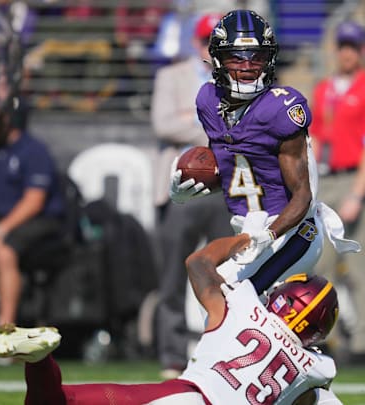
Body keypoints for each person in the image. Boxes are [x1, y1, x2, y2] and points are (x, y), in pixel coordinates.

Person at [0, 234, 342, 405]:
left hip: (183, 398)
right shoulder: (316, 369)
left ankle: (40, 360)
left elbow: (197, 264)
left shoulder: (244, 305)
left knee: (63, 401)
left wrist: (241, 240)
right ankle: (40, 362)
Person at [169, 9, 360, 295]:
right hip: (251, 233)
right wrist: (190, 190)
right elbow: (234, 173)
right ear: (218, 59)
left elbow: (303, 196)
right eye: (237, 57)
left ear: (268, 60)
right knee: (240, 312)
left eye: (255, 58)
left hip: (293, 234)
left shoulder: (280, 109)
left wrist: (267, 234)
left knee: (225, 296)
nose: (247, 66)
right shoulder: (209, 100)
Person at [151, 12, 234, 378]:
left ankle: (224, 350)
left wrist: (193, 121)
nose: (209, 48)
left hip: (224, 187)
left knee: (227, 274)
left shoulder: (237, 80)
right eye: (205, 40)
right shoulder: (172, 76)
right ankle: (171, 353)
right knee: (171, 274)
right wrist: (210, 127)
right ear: (195, 43)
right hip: (181, 185)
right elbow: (163, 123)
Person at [308, 20, 365, 364]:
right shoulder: (324, 89)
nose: (346, 53)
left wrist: (358, 192)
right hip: (325, 180)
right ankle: (325, 337)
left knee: (358, 265)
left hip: (353, 177)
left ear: (363, 51)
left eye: (353, 47)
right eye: (343, 46)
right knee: (322, 265)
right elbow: (312, 140)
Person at [0, 89, 65, 329]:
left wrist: (0, 231)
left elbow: (34, 201)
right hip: (3, 218)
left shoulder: (34, 150)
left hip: (40, 221)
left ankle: (5, 329)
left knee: (5, 252)